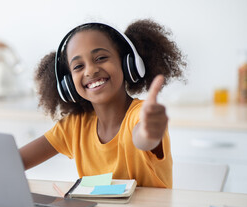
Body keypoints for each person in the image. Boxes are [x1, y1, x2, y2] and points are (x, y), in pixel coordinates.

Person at [19, 19, 186, 188]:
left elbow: (143, 138)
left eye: (101, 58)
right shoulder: (75, 126)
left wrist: (149, 132)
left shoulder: (140, 115)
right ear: (68, 84)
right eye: (78, 66)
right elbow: (15, 161)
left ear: (127, 63)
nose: (90, 70)